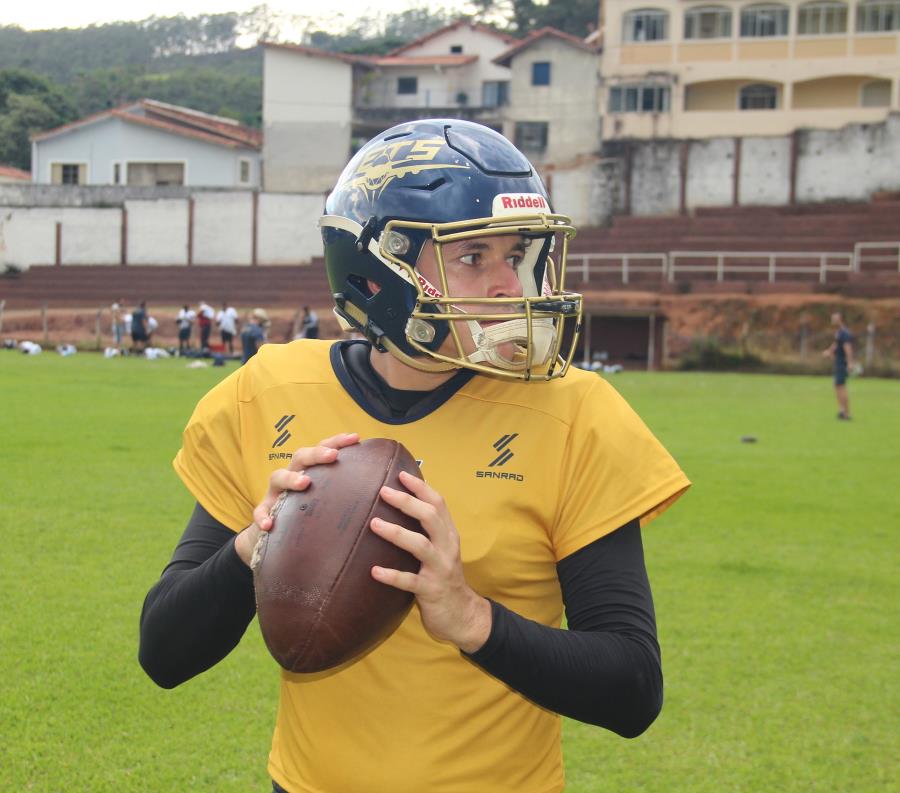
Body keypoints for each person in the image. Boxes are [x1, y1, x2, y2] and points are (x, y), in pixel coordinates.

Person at [139, 119, 691, 793]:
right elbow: (163, 652)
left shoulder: (577, 412)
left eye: (517, 254)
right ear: (377, 271)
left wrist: (471, 617)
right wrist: (253, 544)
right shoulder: (268, 391)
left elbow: (633, 686)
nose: (509, 286)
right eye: (472, 256)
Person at [823, 311, 855, 420]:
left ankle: (847, 413)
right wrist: (829, 351)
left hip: (842, 363)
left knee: (841, 387)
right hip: (838, 362)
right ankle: (841, 410)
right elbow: (836, 344)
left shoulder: (845, 333)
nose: (832, 321)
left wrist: (850, 363)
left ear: (840, 319)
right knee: (837, 386)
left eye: (834, 319)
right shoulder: (839, 333)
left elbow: (848, 348)